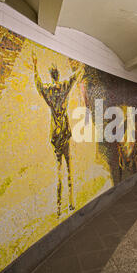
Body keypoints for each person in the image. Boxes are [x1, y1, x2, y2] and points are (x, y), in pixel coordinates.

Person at [32, 52, 84, 217]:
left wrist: (34, 66)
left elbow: (38, 84)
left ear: (50, 75)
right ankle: (71, 202)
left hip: (55, 134)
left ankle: (59, 206)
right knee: (69, 168)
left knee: (58, 171)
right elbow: (75, 77)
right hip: (65, 132)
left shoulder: (48, 91)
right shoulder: (63, 87)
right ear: (58, 75)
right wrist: (82, 64)